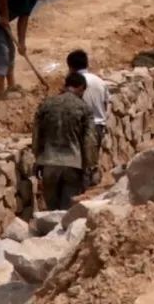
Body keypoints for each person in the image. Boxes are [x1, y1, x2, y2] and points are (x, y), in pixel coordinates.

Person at [33, 72, 97, 211]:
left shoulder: (46, 105)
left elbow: (37, 136)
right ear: (80, 87)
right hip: (73, 164)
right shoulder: (84, 108)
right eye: (83, 91)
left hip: (49, 163)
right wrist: (90, 166)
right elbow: (89, 140)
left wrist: (38, 159)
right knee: (68, 211)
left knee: (52, 210)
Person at [66, 49, 110, 153]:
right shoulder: (100, 81)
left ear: (70, 66)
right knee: (91, 163)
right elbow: (106, 104)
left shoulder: (73, 83)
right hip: (98, 128)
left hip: (81, 128)